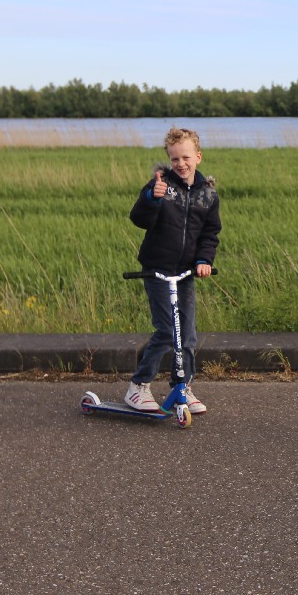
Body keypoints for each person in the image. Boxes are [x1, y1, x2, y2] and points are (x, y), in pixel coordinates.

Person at [124, 127, 221, 413]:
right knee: (168, 331)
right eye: (175, 158)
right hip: (157, 269)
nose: (180, 164)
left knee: (187, 335)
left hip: (185, 273)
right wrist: (152, 199)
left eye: (186, 157)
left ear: (198, 157)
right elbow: (138, 218)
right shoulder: (161, 185)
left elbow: (210, 233)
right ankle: (138, 386)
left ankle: (183, 387)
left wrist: (204, 260)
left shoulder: (207, 194)